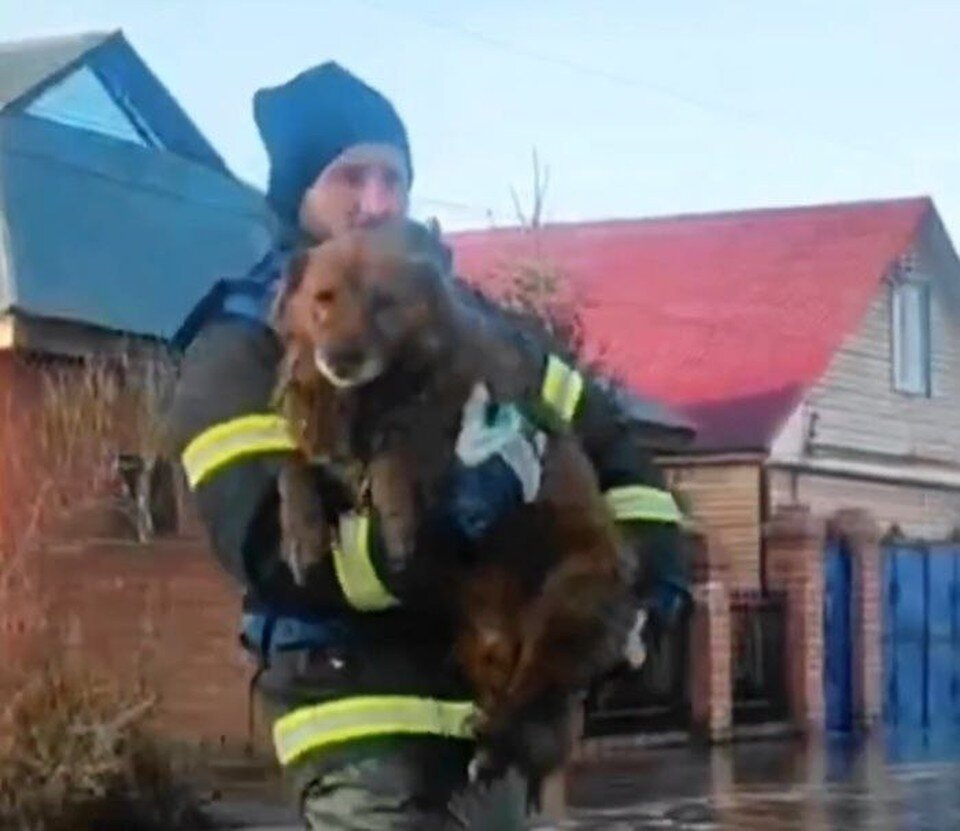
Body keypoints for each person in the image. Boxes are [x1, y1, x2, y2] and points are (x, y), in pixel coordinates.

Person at [164, 62, 689, 830]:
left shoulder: (472, 329)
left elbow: (614, 448)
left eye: (394, 176)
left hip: (496, 726)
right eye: (351, 176)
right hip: (364, 733)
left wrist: (635, 586)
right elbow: (271, 553)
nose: (377, 200)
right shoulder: (239, 344)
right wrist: (441, 522)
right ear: (297, 193)